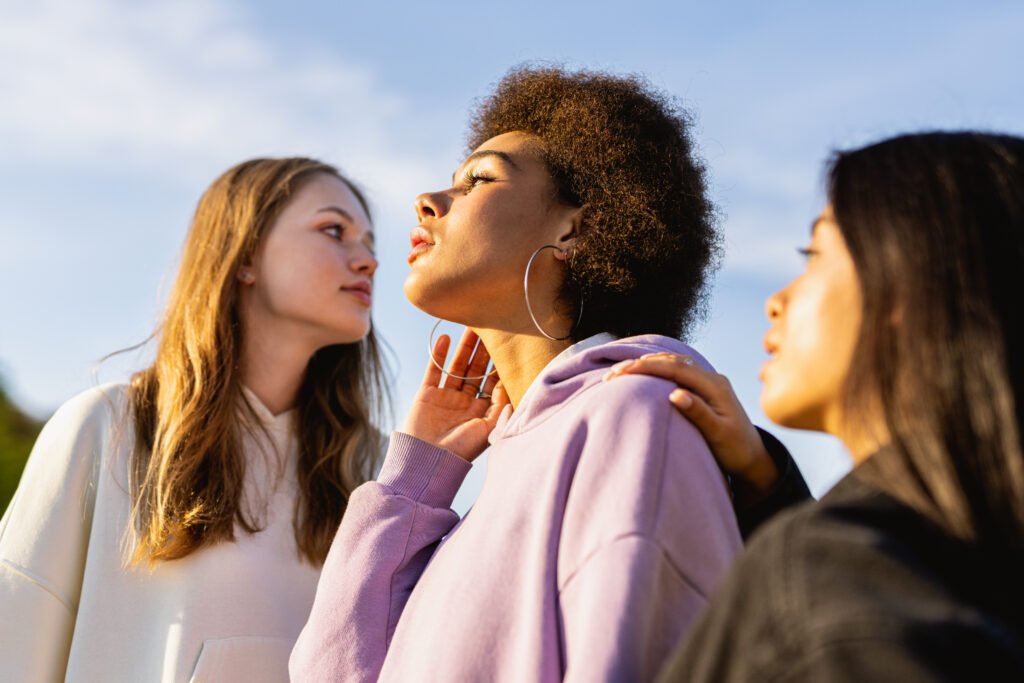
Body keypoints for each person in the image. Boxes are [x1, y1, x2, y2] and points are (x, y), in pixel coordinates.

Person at [290, 66, 745, 682]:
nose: (428, 202)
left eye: (479, 179)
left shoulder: (633, 415)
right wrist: (413, 483)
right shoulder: (486, 491)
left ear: (573, 228)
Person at [610, 132, 1024, 680]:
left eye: (814, 255)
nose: (775, 301)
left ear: (909, 284)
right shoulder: (963, 563)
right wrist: (766, 483)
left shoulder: (835, 576)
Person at [0, 157, 388, 682]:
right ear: (245, 254)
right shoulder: (107, 427)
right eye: (334, 230)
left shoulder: (374, 469)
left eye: (369, 242)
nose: (366, 260)